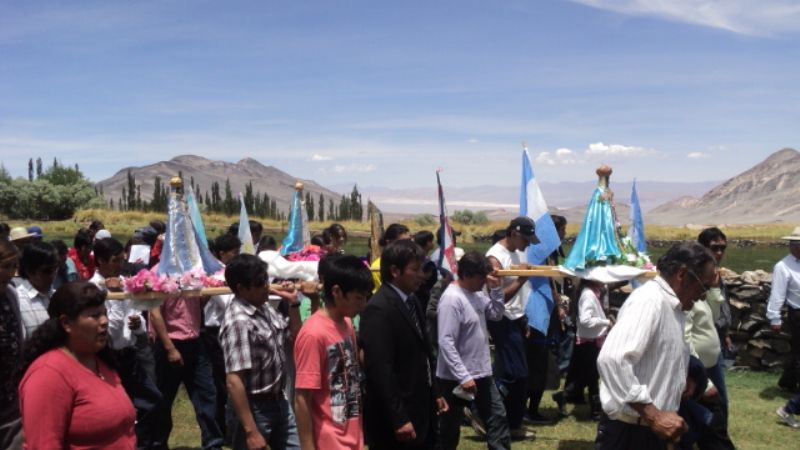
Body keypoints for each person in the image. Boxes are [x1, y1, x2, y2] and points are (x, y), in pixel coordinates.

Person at [595, 242, 717, 449]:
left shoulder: (674, 307)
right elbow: (613, 359)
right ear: (682, 274)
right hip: (630, 433)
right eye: (703, 286)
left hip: (651, 429)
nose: (703, 295)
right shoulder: (649, 301)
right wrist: (653, 415)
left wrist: (680, 378)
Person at [18, 282, 136, 449]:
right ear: (66, 323)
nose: (104, 321)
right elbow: (43, 444)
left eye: (104, 313)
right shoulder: (48, 375)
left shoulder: (99, 361)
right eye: (95, 316)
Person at [360, 239, 448, 449]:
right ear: (395, 271)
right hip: (395, 420)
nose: (421, 275)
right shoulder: (379, 309)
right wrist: (398, 417)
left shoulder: (412, 301)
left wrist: (434, 393)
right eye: (415, 270)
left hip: (421, 408)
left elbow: (425, 354)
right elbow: (380, 370)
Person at [220, 254, 303, 450]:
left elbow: (295, 336)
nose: (267, 286)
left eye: (266, 279)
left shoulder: (265, 309)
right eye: (259, 283)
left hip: (279, 401)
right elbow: (234, 380)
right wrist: (251, 431)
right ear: (241, 288)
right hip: (254, 408)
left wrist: (293, 304)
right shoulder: (239, 322)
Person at [294, 255, 373, 450]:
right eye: (358, 298)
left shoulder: (346, 323)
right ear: (337, 292)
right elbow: (302, 397)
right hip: (328, 439)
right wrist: (307, 446)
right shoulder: (314, 334)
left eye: (365, 298)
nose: (363, 305)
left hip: (351, 433)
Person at [90, 237, 161, 447]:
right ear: (101, 261)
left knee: (151, 400)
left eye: (122, 259)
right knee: (118, 408)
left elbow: (136, 312)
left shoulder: (124, 281)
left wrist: (137, 324)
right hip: (108, 355)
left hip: (130, 352)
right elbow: (108, 330)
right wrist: (116, 296)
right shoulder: (93, 289)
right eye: (115, 260)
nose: (119, 265)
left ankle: (141, 443)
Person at [436, 251, 510, 450]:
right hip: (455, 377)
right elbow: (446, 341)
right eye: (480, 277)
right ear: (467, 275)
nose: (483, 281)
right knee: (449, 429)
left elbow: (496, 314)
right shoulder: (452, 299)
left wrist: (495, 290)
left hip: (482, 372)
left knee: (497, 417)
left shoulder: (477, 294)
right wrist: (463, 376)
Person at [485, 217, 539, 440]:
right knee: (515, 374)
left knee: (514, 374)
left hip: (515, 318)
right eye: (526, 238)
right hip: (502, 319)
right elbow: (496, 299)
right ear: (514, 233)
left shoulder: (516, 253)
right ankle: (484, 412)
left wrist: (523, 318)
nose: (528, 244)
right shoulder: (494, 258)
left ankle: (511, 422)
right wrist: (522, 280)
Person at [202, 233, 241, 440]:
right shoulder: (216, 276)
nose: (237, 256)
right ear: (222, 254)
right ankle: (224, 428)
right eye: (234, 253)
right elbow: (228, 305)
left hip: (228, 330)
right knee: (222, 382)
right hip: (216, 332)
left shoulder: (230, 273)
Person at [566, 279, 610, 421]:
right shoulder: (588, 294)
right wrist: (605, 322)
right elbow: (585, 320)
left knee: (590, 375)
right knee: (592, 376)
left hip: (592, 339)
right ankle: (595, 411)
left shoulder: (593, 292)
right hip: (589, 341)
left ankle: (566, 395)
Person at [769, 227, 800, 427]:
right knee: (799, 356)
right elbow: (777, 294)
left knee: (798, 356)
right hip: (798, 314)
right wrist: (774, 317)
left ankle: (787, 384)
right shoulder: (783, 266)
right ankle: (792, 399)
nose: (794, 246)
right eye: (794, 243)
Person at [0, 240, 22, 450]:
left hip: (10, 399)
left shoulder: (11, 295)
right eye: (5, 266)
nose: (11, 273)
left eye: (14, 266)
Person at [15, 240, 59, 338]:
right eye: (47, 271)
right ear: (30, 271)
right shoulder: (18, 302)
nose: (53, 275)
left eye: (56, 268)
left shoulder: (58, 296)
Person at [370, 223, 411, 292]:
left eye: (409, 241)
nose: (408, 245)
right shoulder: (378, 267)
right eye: (402, 242)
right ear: (389, 242)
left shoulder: (410, 263)